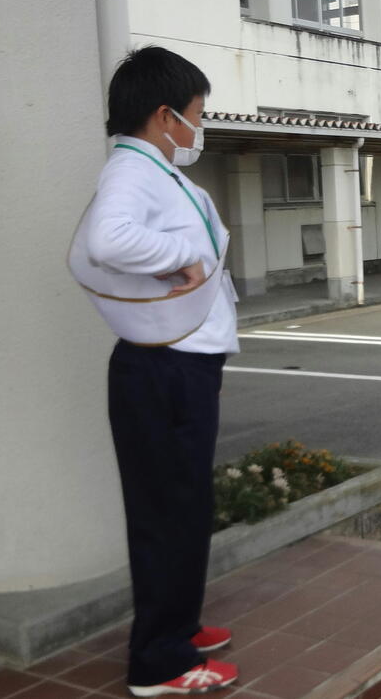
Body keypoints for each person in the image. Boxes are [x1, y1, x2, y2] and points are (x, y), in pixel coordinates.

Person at [81, 46, 239, 696]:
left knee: (185, 505)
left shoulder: (157, 171)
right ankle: (158, 662)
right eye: (196, 115)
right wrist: (182, 256)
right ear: (164, 115)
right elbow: (107, 239)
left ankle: (179, 625)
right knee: (166, 512)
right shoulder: (132, 170)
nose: (199, 128)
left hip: (181, 362)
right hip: (162, 366)